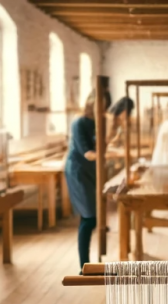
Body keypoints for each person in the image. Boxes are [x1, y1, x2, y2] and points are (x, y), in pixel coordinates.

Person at [65, 92, 102, 271]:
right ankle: (84, 267)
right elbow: (88, 153)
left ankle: (86, 265)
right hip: (78, 172)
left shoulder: (96, 123)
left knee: (91, 217)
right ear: (91, 104)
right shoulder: (79, 123)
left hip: (90, 170)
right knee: (89, 218)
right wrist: (107, 154)